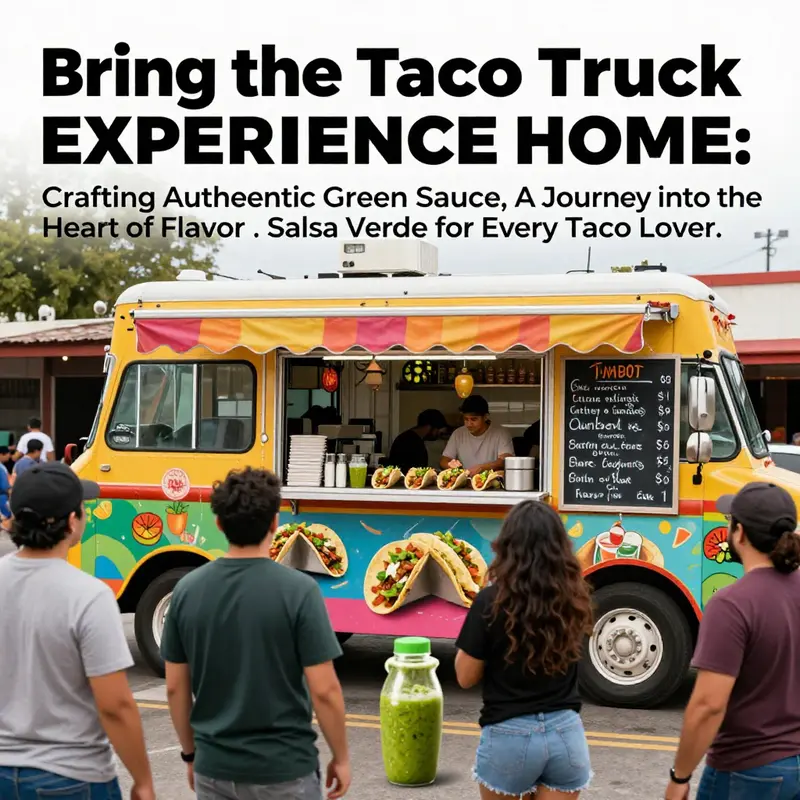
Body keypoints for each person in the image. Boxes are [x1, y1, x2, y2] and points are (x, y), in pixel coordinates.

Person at [161, 466, 350, 800]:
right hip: (286, 771)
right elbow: (325, 691)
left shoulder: (187, 591)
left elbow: (176, 688)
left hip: (213, 770)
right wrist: (341, 756)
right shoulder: (300, 591)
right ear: (275, 523)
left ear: (219, 524)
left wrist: (190, 755)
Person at [0, 461, 155, 800]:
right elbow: (115, 705)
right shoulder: (89, 595)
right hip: (70, 778)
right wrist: (143, 780)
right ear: (72, 522)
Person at [665, 482, 800, 800]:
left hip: (748, 771)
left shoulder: (731, 604)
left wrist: (680, 777)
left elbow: (708, 706)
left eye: (729, 520)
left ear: (739, 532)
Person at [454, 500, 595, 798]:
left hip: (509, 735)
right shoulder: (574, 599)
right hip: (566, 734)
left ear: (507, 546)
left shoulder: (490, 602)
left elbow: (465, 676)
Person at [441, 395, 514, 475]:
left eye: (474, 419)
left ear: (485, 417)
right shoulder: (458, 434)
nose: (469, 424)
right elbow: (444, 460)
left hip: (492, 483)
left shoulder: (501, 433)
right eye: (466, 419)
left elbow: (505, 461)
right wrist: (450, 464)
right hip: (465, 482)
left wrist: (483, 467)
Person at [387, 409, 448, 474]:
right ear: (429, 427)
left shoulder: (406, 437)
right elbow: (417, 472)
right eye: (438, 432)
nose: (438, 436)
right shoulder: (413, 443)